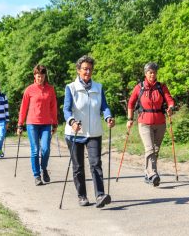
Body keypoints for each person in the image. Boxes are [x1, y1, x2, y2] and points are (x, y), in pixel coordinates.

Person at [63, 55, 115, 208]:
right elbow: (66, 110)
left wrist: (108, 117)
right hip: (75, 133)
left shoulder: (98, 87)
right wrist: (72, 122)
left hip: (94, 133)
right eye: (85, 69)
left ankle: (100, 195)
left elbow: (104, 107)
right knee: (78, 167)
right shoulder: (71, 88)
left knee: (96, 163)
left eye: (90, 69)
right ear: (78, 70)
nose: (88, 72)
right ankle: (82, 196)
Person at [126, 62, 175, 187]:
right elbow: (131, 103)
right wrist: (130, 118)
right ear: (145, 73)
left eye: (154, 72)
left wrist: (171, 108)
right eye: (150, 72)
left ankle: (147, 174)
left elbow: (169, 100)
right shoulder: (139, 87)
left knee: (156, 150)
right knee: (149, 149)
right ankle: (153, 174)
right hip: (144, 123)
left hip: (160, 123)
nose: (152, 74)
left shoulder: (161, 87)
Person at [17, 65, 58, 186]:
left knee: (45, 149)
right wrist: (20, 124)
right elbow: (23, 108)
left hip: (46, 124)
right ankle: (37, 175)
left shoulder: (50, 89)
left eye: (43, 76)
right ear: (35, 76)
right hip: (32, 124)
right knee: (35, 150)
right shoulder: (29, 90)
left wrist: (55, 123)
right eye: (38, 76)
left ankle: (43, 168)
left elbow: (53, 107)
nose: (40, 79)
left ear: (45, 76)